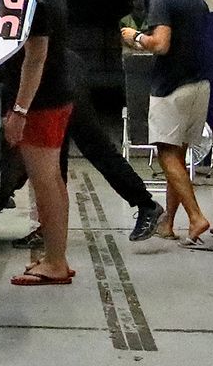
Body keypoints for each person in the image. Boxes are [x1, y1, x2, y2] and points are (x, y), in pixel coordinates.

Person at [122, 0, 212, 247]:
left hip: (170, 88)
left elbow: (161, 44)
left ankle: (196, 217)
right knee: (179, 155)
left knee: (166, 156)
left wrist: (135, 37)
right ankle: (169, 224)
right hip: (199, 86)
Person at [3, 0, 76, 286]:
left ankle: (56, 262)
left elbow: (34, 59)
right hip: (56, 95)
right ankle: (54, 256)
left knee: (44, 181)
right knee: (53, 181)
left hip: (40, 103)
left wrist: (19, 110)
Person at [60, 48, 164, 242]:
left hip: (61, 76)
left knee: (94, 147)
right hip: (60, 72)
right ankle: (49, 227)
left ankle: (146, 204)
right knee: (55, 161)